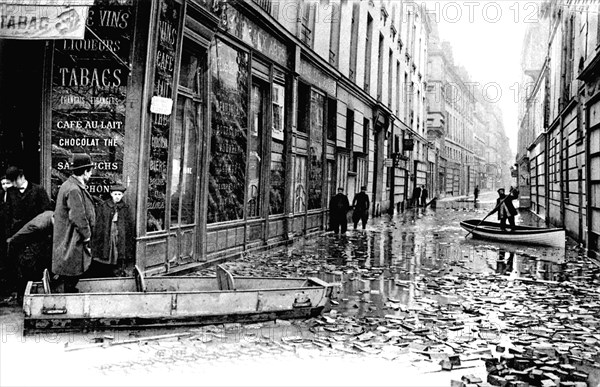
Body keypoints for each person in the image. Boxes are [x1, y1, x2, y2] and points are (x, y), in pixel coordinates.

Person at [52, 154, 96, 293]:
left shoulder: (70, 185)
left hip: (71, 235)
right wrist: (87, 235)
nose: (90, 174)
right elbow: (78, 216)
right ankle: (68, 299)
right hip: (72, 237)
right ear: (84, 171)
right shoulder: (73, 189)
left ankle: (66, 292)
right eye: (90, 171)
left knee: (70, 268)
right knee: (72, 269)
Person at [6, 210, 54, 302]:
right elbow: (19, 238)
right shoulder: (39, 226)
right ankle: (23, 298)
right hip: (25, 247)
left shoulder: (49, 215)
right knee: (27, 270)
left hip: (33, 245)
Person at [91, 183, 134, 278]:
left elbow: (128, 225)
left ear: (122, 195)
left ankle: (118, 271)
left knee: (119, 251)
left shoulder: (125, 207)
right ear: (111, 194)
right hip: (108, 233)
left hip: (119, 233)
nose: (117, 197)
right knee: (107, 251)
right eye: (115, 194)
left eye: (119, 194)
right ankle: (107, 272)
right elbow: (99, 223)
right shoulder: (104, 206)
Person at [4, 166, 52, 237]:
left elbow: (47, 213)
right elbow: (8, 214)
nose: (14, 184)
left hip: (35, 234)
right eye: (11, 181)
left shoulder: (38, 189)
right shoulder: (10, 191)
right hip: (16, 234)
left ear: (22, 177)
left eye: (15, 180)